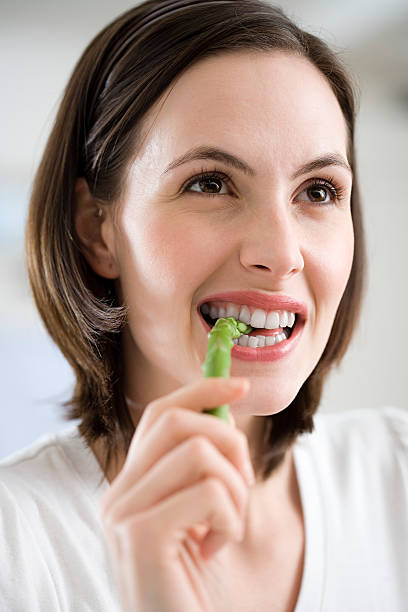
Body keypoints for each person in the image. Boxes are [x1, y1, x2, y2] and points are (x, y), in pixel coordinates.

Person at [1, 0, 407, 610]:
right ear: (96, 228)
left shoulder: (397, 477)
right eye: (210, 183)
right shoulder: (17, 546)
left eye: (318, 191)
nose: (280, 253)